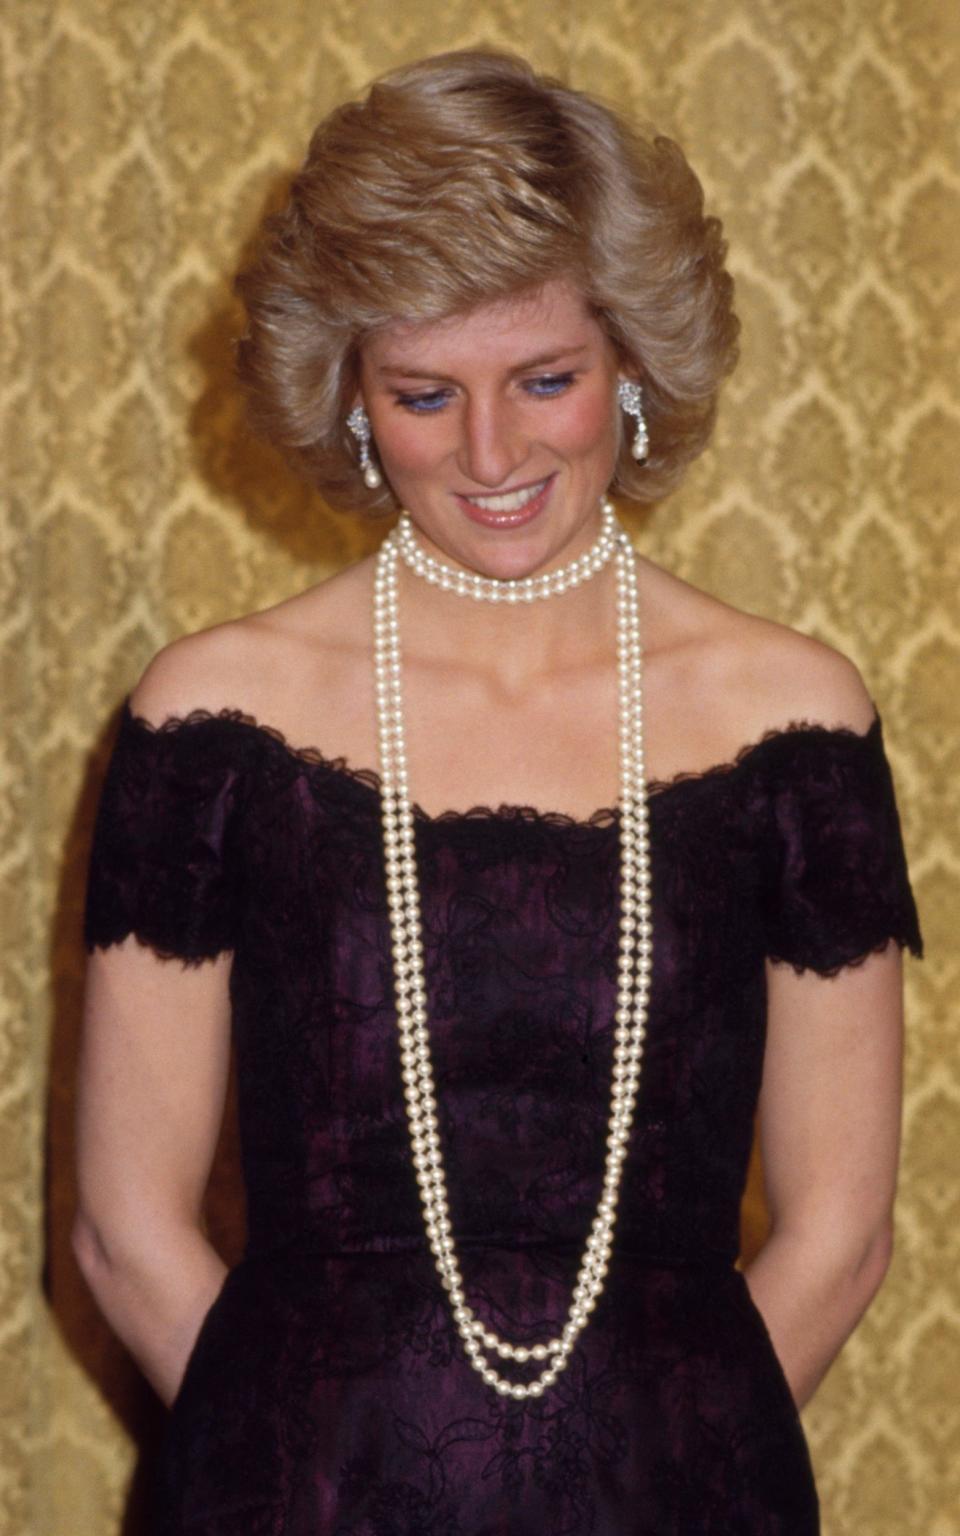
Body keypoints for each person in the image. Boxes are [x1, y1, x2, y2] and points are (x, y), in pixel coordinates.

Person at [73, 48, 922, 1535]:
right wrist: (314, 1473)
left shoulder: (790, 719)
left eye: (546, 379)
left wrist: (648, 1470)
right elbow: (124, 1233)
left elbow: (842, 1234)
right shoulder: (213, 716)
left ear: (633, 367)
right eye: (421, 393)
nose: (490, 453)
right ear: (347, 397)